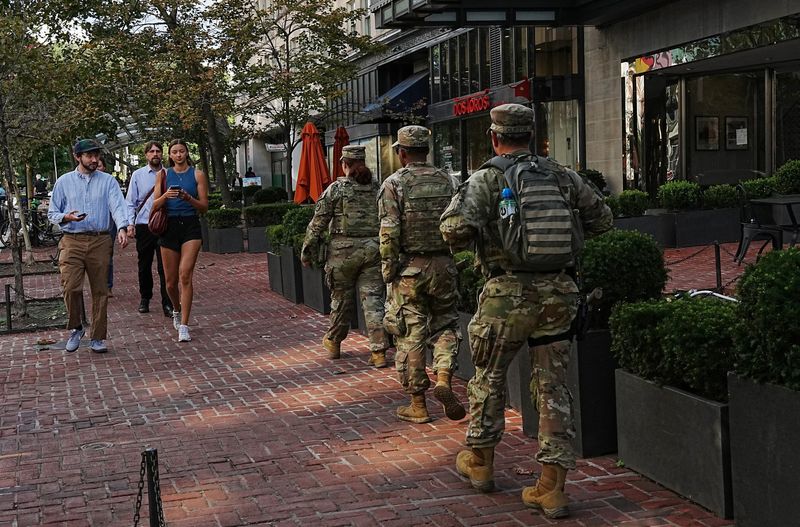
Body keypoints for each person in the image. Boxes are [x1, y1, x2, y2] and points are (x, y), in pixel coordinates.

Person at [440, 103, 613, 519]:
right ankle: (552, 487)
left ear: (494, 136)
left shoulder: (489, 176)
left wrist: (490, 232)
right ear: (533, 135)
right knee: (553, 386)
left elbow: (452, 230)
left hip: (506, 294)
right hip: (561, 294)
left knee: (489, 377)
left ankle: (481, 463)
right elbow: (603, 220)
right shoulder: (561, 174)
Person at [378, 125, 465, 424]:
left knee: (409, 333)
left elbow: (389, 232)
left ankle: (418, 404)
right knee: (446, 324)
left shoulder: (394, 183)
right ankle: (443, 376)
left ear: (402, 153)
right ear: (426, 151)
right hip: (444, 265)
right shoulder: (449, 180)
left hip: (409, 269)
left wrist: (388, 271)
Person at [300, 145, 390, 367]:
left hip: (343, 253)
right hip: (374, 250)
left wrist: (307, 250)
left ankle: (334, 343)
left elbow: (318, 223)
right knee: (374, 301)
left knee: (341, 300)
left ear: (345, 164)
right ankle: (378, 352)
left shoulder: (336, 189)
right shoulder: (378, 188)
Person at [48, 139, 132, 353]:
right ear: (78, 157)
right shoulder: (64, 182)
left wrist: (122, 227)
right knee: (70, 287)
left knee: (100, 290)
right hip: (72, 239)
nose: (95, 159)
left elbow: (118, 206)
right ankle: (76, 327)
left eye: (96, 155)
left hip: (100, 240)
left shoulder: (108, 181)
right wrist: (66, 216)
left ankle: (97, 337)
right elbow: (52, 213)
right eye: (89, 156)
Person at [152, 139, 208, 342]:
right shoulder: (163, 175)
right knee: (170, 283)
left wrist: (188, 198)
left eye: (181, 151)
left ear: (186, 153)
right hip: (169, 227)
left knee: (185, 275)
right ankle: (176, 309)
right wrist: (167, 195)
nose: (178, 155)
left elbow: (203, 206)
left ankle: (184, 325)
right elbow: (155, 206)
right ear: (170, 155)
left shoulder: (197, 174)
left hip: (191, 226)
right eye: (174, 152)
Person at [126, 141, 173, 317]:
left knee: (165, 266)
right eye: (151, 151)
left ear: (162, 154)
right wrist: (130, 224)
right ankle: (145, 298)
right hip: (144, 225)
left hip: (165, 226)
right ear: (146, 155)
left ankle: (167, 303)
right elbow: (130, 202)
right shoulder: (138, 175)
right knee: (144, 265)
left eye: (158, 151)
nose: (155, 154)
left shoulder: (170, 174)